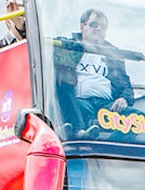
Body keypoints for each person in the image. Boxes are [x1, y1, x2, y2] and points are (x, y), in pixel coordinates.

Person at [53, 8, 136, 136]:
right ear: (82, 27)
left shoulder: (113, 55)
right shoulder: (69, 47)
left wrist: (123, 99)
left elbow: (126, 86)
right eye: (94, 24)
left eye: (103, 26)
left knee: (137, 117)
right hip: (79, 103)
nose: (98, 29)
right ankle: (80, 132)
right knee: (69, 99)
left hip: (107, 107)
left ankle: (110, 148)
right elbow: (43, 47)